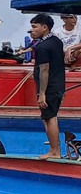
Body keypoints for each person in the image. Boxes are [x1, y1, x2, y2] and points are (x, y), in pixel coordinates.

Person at [30, 13, 65, 159]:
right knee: (50, 116)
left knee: (49, 117)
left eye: (34, 27)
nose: (32, 30)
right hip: (58, 85)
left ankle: (54, 151)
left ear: (44, 28)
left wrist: (42, 93)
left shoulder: (43, 47)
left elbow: (44, 70)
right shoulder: (57, 41)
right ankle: (55, 146)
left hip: (49, 88)